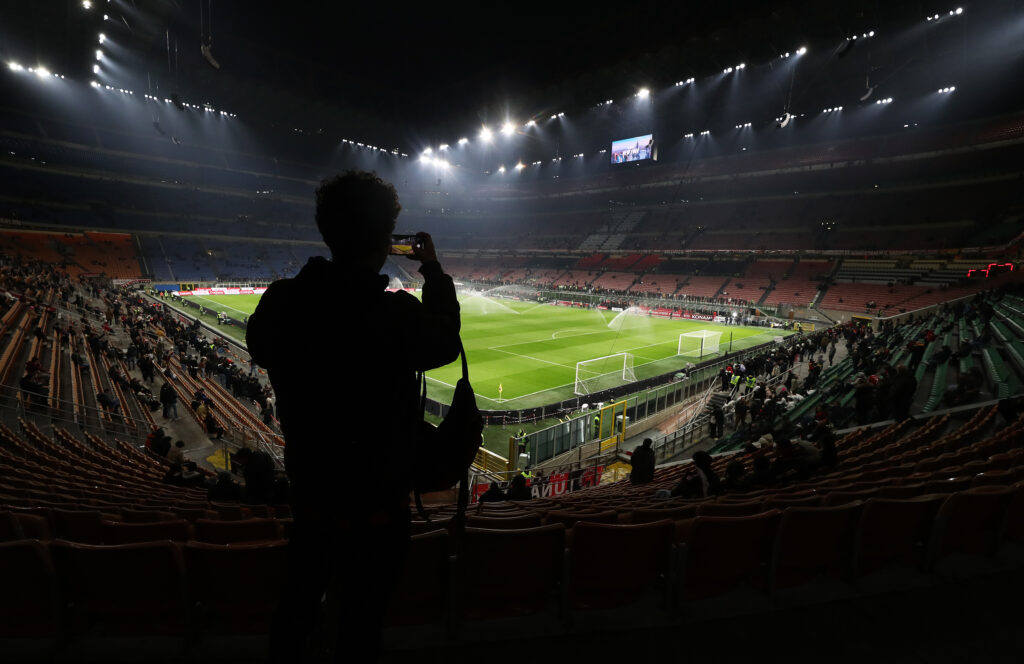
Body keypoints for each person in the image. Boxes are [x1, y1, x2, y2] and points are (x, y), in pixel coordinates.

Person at [246, 171, 461, 662]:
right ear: (387, 241)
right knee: (362, 626)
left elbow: (262, 342)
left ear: (326, 230)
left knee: (296, 614)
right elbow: (446, 339)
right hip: (379, 513)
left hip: (312, 502)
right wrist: (431, 270)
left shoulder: (282, 303)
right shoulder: (396, 317)